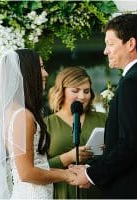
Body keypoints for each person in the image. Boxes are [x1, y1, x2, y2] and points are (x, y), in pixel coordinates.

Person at [69, 14, 137, 198]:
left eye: (110, 43)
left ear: (130, 44)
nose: (105, 51)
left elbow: (130, 145)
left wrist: (91, 175)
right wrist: (93, 168)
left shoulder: (134, 82)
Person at [0, 49, 75, 199]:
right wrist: (66, 175)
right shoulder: (22, 116)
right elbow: (26, 173)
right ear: (26, 73)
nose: (45, 73)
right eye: (40, 67)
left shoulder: (13, 112)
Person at [45, 67, 107, 199]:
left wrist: (109, 150)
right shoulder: (46, 125)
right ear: (61, 91)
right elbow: (36, 169)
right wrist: (68, 157)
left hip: (99, 192)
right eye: (75, 91)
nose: (82, 96)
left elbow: (120, 155)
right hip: (62, 194)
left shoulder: (103, 119)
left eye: (86, 91)